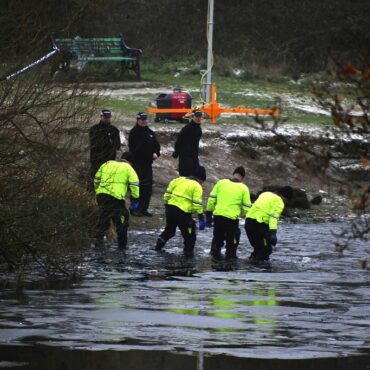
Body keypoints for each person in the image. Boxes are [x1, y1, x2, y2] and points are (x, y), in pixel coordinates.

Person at [154, 166, 207, 257]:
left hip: (170, 209)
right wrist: (201, 217)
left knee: (169, 231)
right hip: (183, 213)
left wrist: (168, 206)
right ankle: (188, 259)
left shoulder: (178, 180)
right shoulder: (197, 186)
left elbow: (166, 195)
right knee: (190, 237)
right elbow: (197, 203)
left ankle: (157, 248)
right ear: (201, 179)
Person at [93, 152, 139, 249]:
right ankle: (122, 247)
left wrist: (98, 191)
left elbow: (96, 179)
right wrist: (135, 198)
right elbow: (134, 184)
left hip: (101, 196)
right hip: (115, 198)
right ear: (130, 162)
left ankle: (98, 243)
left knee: (103, 218)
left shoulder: (107, 164)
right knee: (122, 221)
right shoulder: (128, 168)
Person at [206, 166, 252, 260]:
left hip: (218, 217)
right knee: (231, 246)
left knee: (217, 241)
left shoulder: (221, 183)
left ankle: (214, 265)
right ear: (242, 177)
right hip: (231, 220)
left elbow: (211, 199)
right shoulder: (243, 188)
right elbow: (247, 207)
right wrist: (249, 219)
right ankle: (229, 267)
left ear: (233, 173)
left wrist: (208, 213)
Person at [244, 186, 293, 261]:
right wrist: (273, 232)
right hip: (259, 225)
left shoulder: (265, 194)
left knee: (258, 248)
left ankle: (251, 266)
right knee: (266, 251)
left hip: (248, 223)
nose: (286, 202)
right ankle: (262, 270)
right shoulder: (279, 202)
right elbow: (273, 217)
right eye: (287, 200)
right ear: (285, 197)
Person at [128, 112, 161, 217]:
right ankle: (135, 208)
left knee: (147, 187)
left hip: (148, 164)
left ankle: (144, 208)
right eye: (141, 119)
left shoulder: (150, 132)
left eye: (145, 119)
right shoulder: (134, 132)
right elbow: (134, 149)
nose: (143, 121)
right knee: (137, 187)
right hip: (137, 164)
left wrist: (156, 153)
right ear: (137, 120)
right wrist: (147, 153)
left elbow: (157, 146)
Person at [89, 109, 121, 179]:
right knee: (94, 179)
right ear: (101, 117)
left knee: (107, 180)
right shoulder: (94, 129)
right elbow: (94, 144)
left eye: (108, 117)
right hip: (96, 160)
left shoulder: (114, 130)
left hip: (109, 160)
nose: (107, 119)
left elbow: (117, 146)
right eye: (105, 117)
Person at [172, 109, 203, 176]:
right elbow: (179, 141)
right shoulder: (187, 128)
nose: (198, 118)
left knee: (195, 175)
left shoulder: (199, 129)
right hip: (185, 156)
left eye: (200, 116)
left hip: (194, 156)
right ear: (192, 117)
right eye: (197, 116)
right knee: (185, 175)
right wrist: (176, 152)